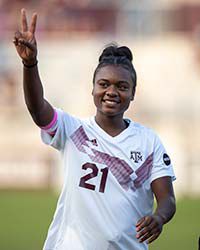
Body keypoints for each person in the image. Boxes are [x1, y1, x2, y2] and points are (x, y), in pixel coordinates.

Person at [13, 9, 176, 250]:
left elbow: (167, 199)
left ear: (132, 94)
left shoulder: (148, 141)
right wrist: (30, 64)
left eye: (122, 86)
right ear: (93, 89)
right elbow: (38, 110)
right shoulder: (72, 130)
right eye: (104, 84)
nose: (111, 91)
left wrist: (159, 218)